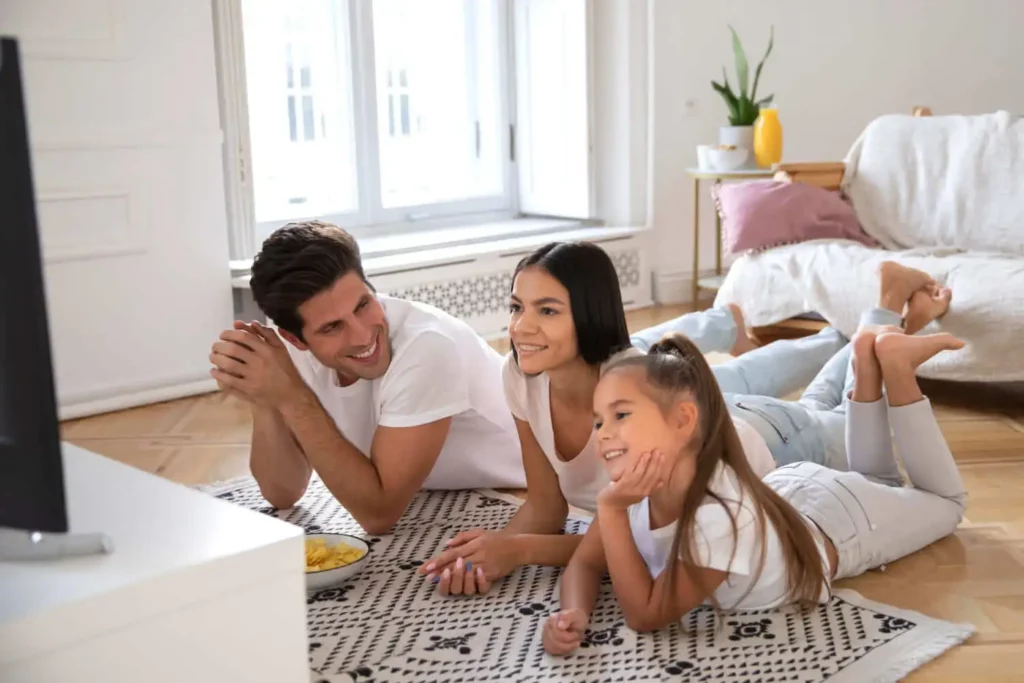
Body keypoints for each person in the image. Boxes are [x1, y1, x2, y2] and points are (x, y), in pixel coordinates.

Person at [419, 241, 852, 595]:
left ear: (589, 315)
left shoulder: (629, 385)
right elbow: (546, 505)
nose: (521, 327)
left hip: (768, 439)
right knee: (759, 377)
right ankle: (844, 333)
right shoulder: (520, 375)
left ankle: (876, 324)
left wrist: (518, 551)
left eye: (546, 311)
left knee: (834, 410)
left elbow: (638, 543)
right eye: (517, 307)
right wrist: (489, 554)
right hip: (700, 410)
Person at [542, 326, 966, 655]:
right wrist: (573, 611)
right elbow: (585, 564)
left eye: (620, 415)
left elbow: (646, 614)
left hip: (842, 523)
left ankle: (896, 370)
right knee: (883, 485)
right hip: (791, 498)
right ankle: (869, 361)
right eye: (599, 421)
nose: (603, 434)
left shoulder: (716, 518)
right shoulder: (635, 489)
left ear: (683, 421)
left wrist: (612, 512)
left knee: (946, 505)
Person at [208, 220, 528, 534]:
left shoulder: (429, 348)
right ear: (296, 340)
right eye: (333, 327)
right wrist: (265, 397)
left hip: (526, 489)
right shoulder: (292, 354)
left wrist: (295, 398)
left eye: (363, 305)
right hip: (438, 493)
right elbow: (282, 493)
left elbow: (379, 515)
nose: (362, 336)